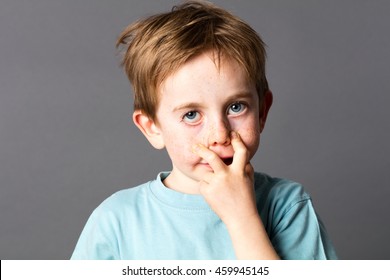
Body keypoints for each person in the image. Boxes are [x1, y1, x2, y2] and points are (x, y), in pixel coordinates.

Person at [71, 0, 337, 260]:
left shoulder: (288, 206)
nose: (220, 135)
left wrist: (241, 217)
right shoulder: (116, 220)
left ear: (262, 112)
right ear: (152, 127)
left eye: (236, 107)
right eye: (191, 114)